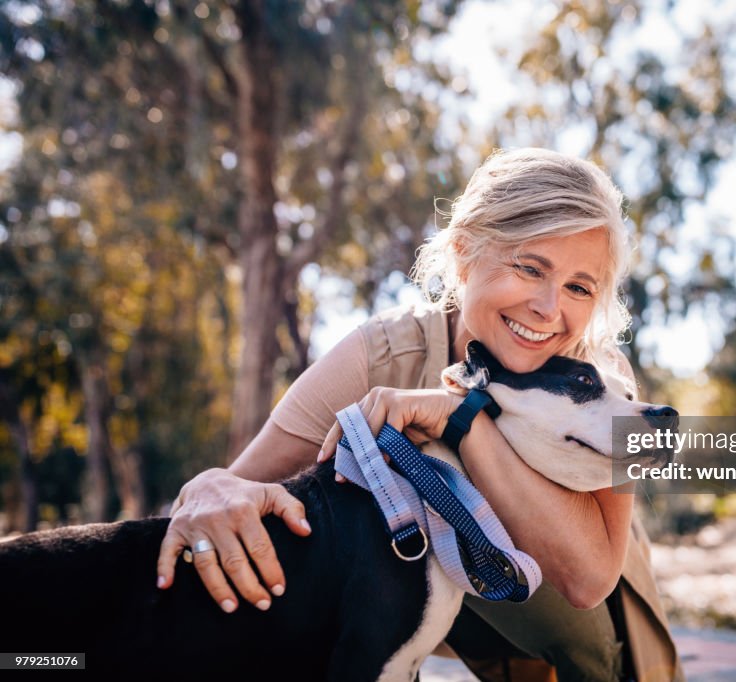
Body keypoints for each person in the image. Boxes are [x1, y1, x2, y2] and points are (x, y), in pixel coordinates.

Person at [156, 148, 684, 682]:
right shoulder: (384, 353)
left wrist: (463, 419)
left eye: (578, 287)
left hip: (571, 629)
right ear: (464, 253)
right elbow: (234, 487)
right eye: (530, 268)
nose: (549, 309)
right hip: (409, 592)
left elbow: (588, 580)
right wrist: (208, 490)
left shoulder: (605, 382)